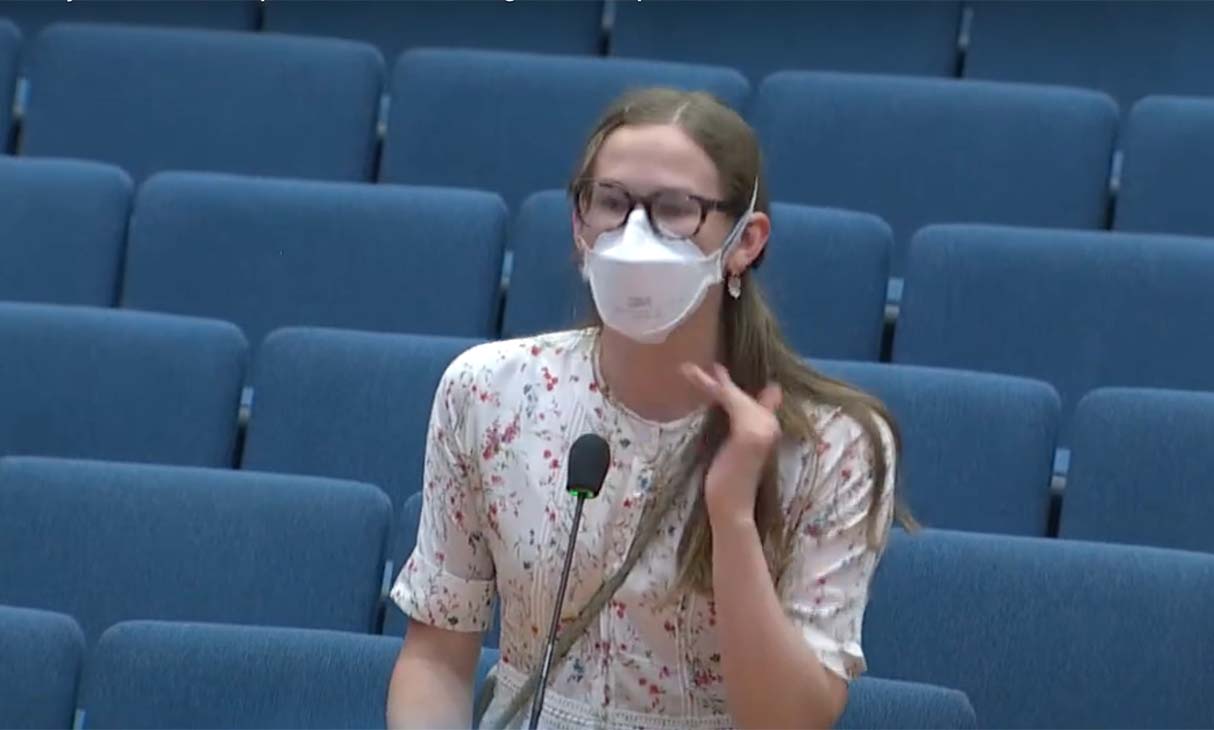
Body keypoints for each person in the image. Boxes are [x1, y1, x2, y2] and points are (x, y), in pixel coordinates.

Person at [387, 87, 910, 730]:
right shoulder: (487, 391)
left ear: (745, 242)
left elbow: (788, 721)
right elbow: (437, 658)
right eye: (610, 203)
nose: (635, 234)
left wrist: (732, 517)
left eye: (674, 210)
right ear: (579, 225)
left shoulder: (836, 443)